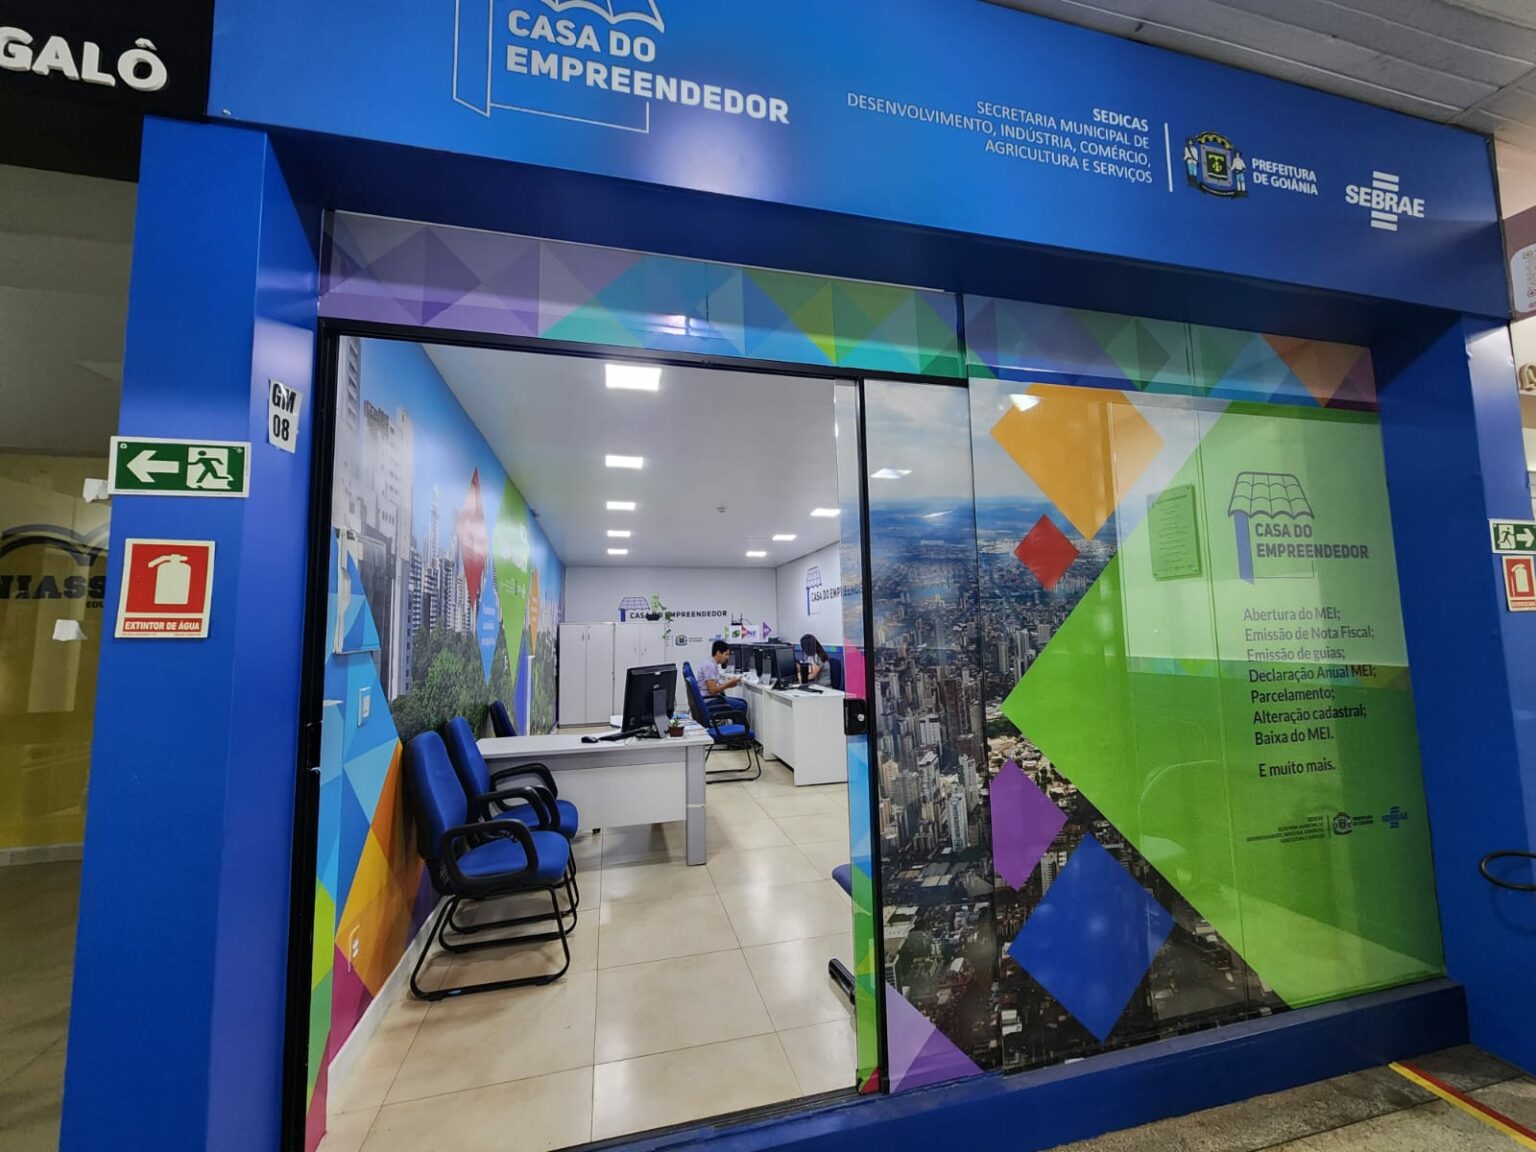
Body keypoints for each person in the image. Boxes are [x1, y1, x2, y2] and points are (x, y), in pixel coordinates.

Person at [699, 640, 748, 721]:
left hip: (709, 699)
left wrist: (728, 683)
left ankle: (738, 727)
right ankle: (738, 728)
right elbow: (713, 691)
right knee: (741, 706)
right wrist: (728, 684)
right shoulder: (710, 666)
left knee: (743, 702)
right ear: (718, 653)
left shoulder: (710, 664)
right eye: (726, 654)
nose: (727, 657)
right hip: (709, 701)